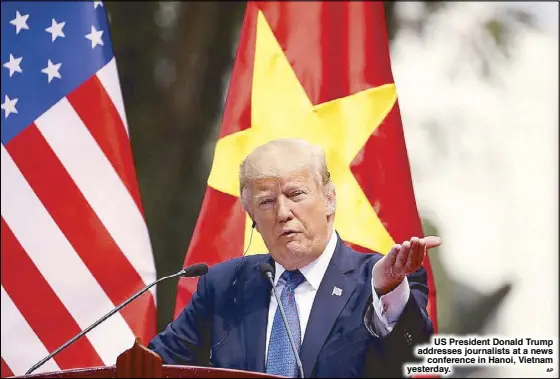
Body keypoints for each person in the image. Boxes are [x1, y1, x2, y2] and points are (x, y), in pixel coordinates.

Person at [148, 138, 441, 378]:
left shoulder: (379, 281)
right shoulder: (223, 286)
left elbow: (415, 357)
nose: (283, 213)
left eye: (296, 194)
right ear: (251, 215)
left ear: (329, 199)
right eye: (266, 202)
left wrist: (388, 290)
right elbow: (159, 367)